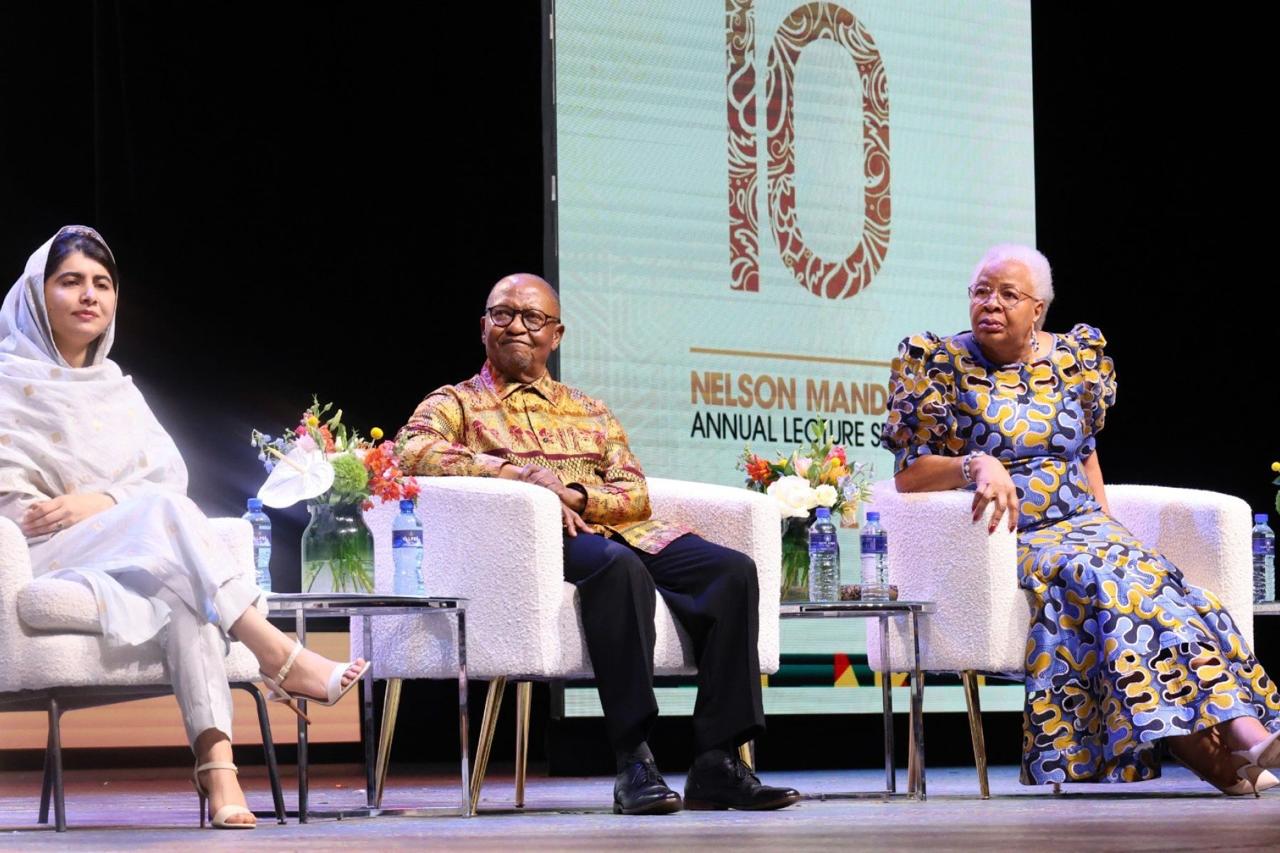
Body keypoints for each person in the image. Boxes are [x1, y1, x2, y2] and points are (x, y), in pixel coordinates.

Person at [0, 226, 370, 828]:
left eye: (102, 284)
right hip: (39, 554)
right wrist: (112, 507)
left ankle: (219, 771)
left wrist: (101, 501)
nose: (89, 295)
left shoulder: (118, 388)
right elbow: (21, 506)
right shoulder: (6, 380)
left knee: (183, 593)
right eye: (70, 282)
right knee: (168, 525)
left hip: (132, 547)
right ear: (36, 296)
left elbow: (166, 479)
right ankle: (278, 655)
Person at [883, 243, 1280, 794]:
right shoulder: (938, 363)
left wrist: (1108, 528)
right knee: (1113, 584)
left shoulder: (1073, 359)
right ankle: (1241, 739)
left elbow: (1085, 450)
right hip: (1014, 537)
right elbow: (909, 473)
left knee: (1168, 591)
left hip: (1088, 529)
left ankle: (1228, 753)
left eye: (1007, 294)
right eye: (981, 292)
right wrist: (979, 463)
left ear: (1038, 309)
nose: (990, 304)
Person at [396, 273, 800, 814]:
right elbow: (412, 452)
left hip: (618, 528)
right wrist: (522, 478)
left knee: (731, 572)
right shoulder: (457, 403)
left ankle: (717, 763)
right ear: (484, 327)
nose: (517, 326)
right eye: (503, 314)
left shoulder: (590, 409)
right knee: (616, 569)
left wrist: (578, 494)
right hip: (538, 542)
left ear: (555, 335)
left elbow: (634, 491)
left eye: (532, 318)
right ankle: (634, 760)